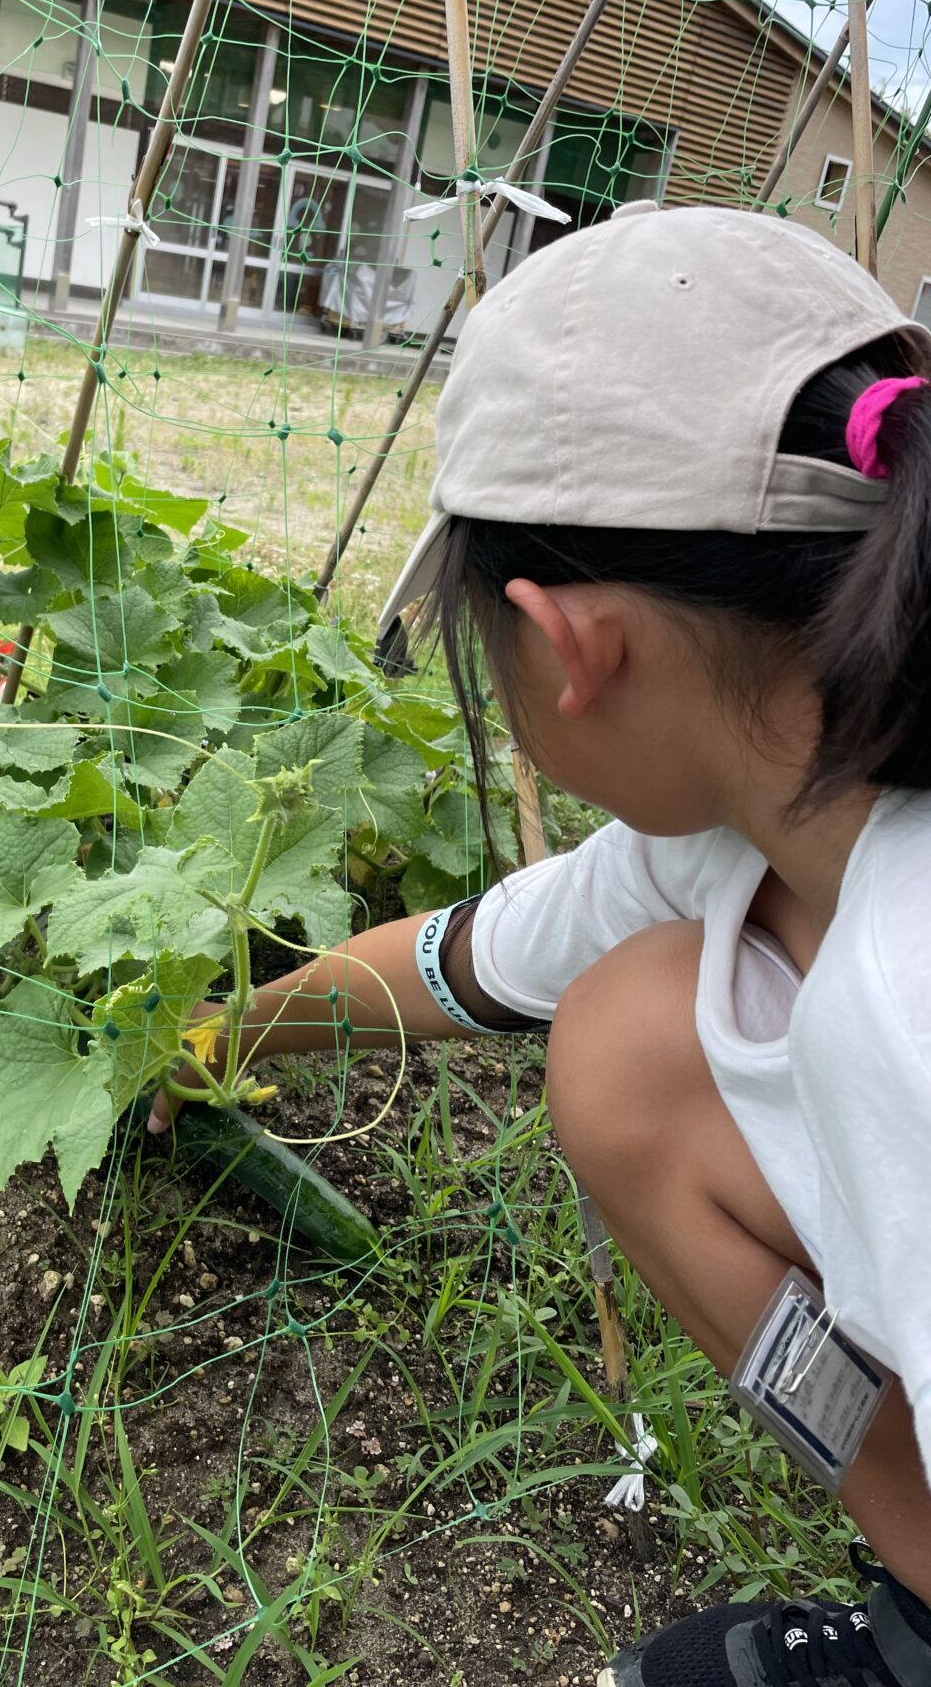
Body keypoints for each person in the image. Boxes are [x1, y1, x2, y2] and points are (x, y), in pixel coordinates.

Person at [148, 202, 931, 1687]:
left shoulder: (907, 987)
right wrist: (218, 1038)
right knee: (625, 1039)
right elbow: (476, 960)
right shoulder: (758, 814)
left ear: (566, 645)